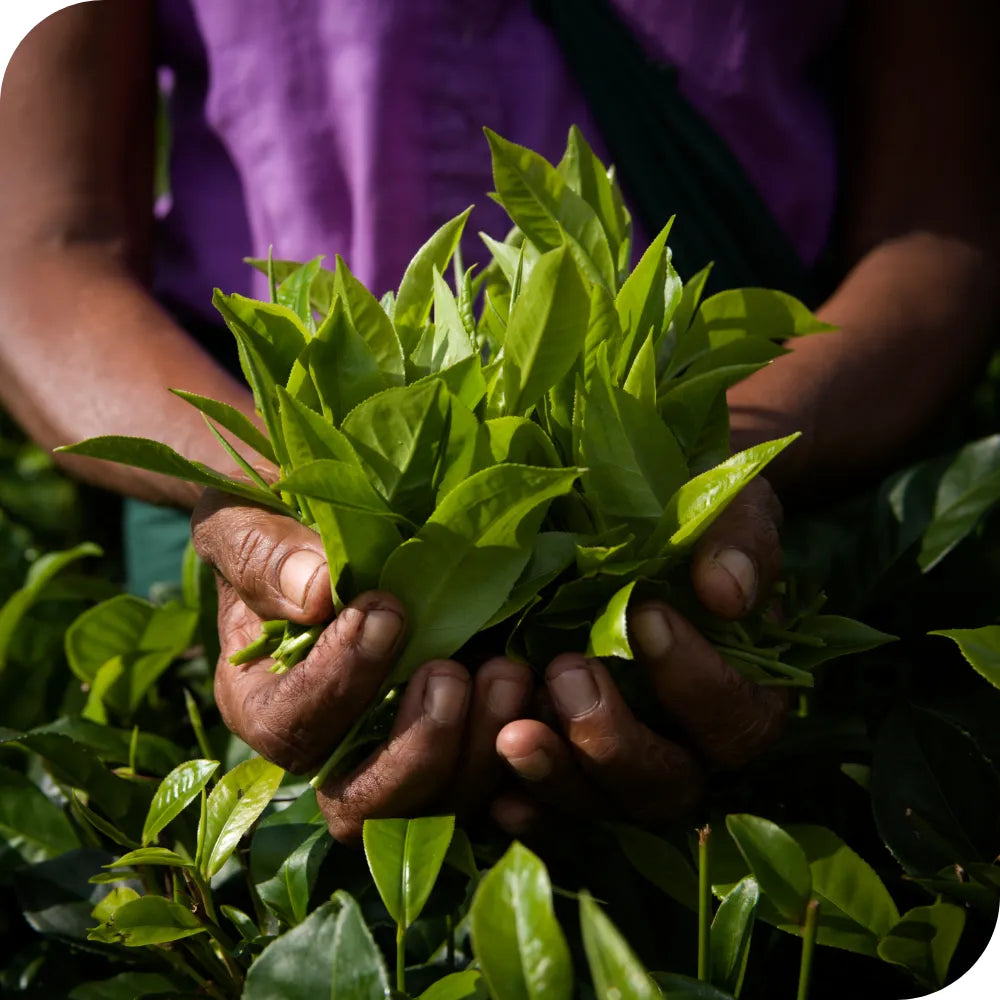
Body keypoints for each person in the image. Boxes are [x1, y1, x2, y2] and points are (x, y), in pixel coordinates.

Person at [0, 0, 996, 842]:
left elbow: (941, 228)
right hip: (258, 542)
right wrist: (261, 493)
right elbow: (38, 251)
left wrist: (722, 467)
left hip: (775, 517)